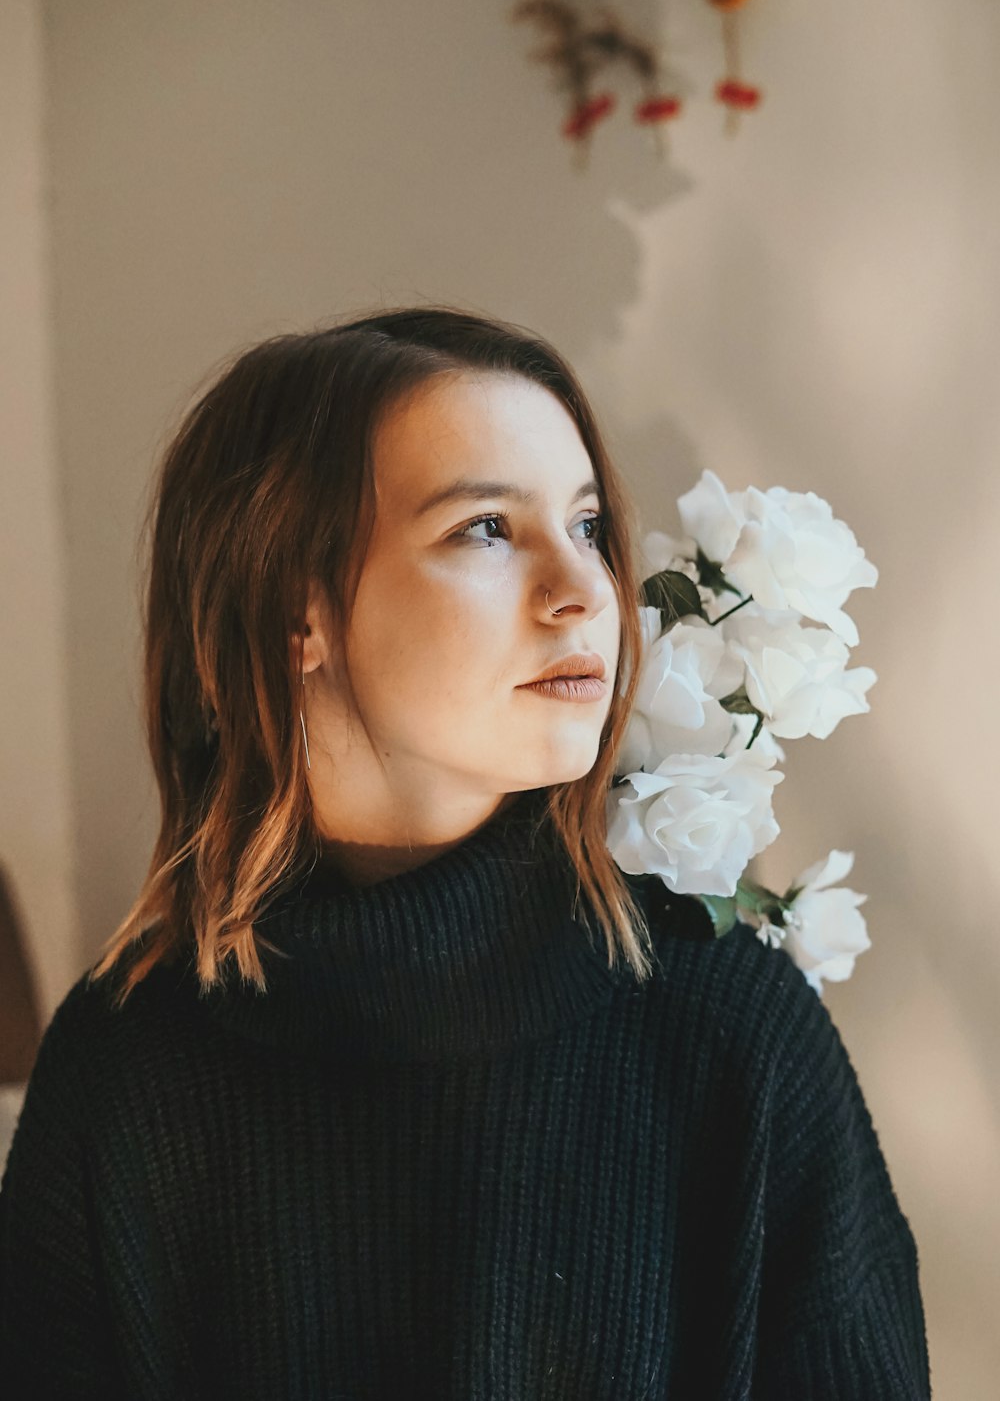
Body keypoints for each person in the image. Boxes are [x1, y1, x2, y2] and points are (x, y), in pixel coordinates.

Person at [0, 305, 931, 1398]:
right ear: (293, 606)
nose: (583, 589)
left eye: (586, 525)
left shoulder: (732, 1031)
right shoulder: (125, 1067)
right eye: (485, 527)